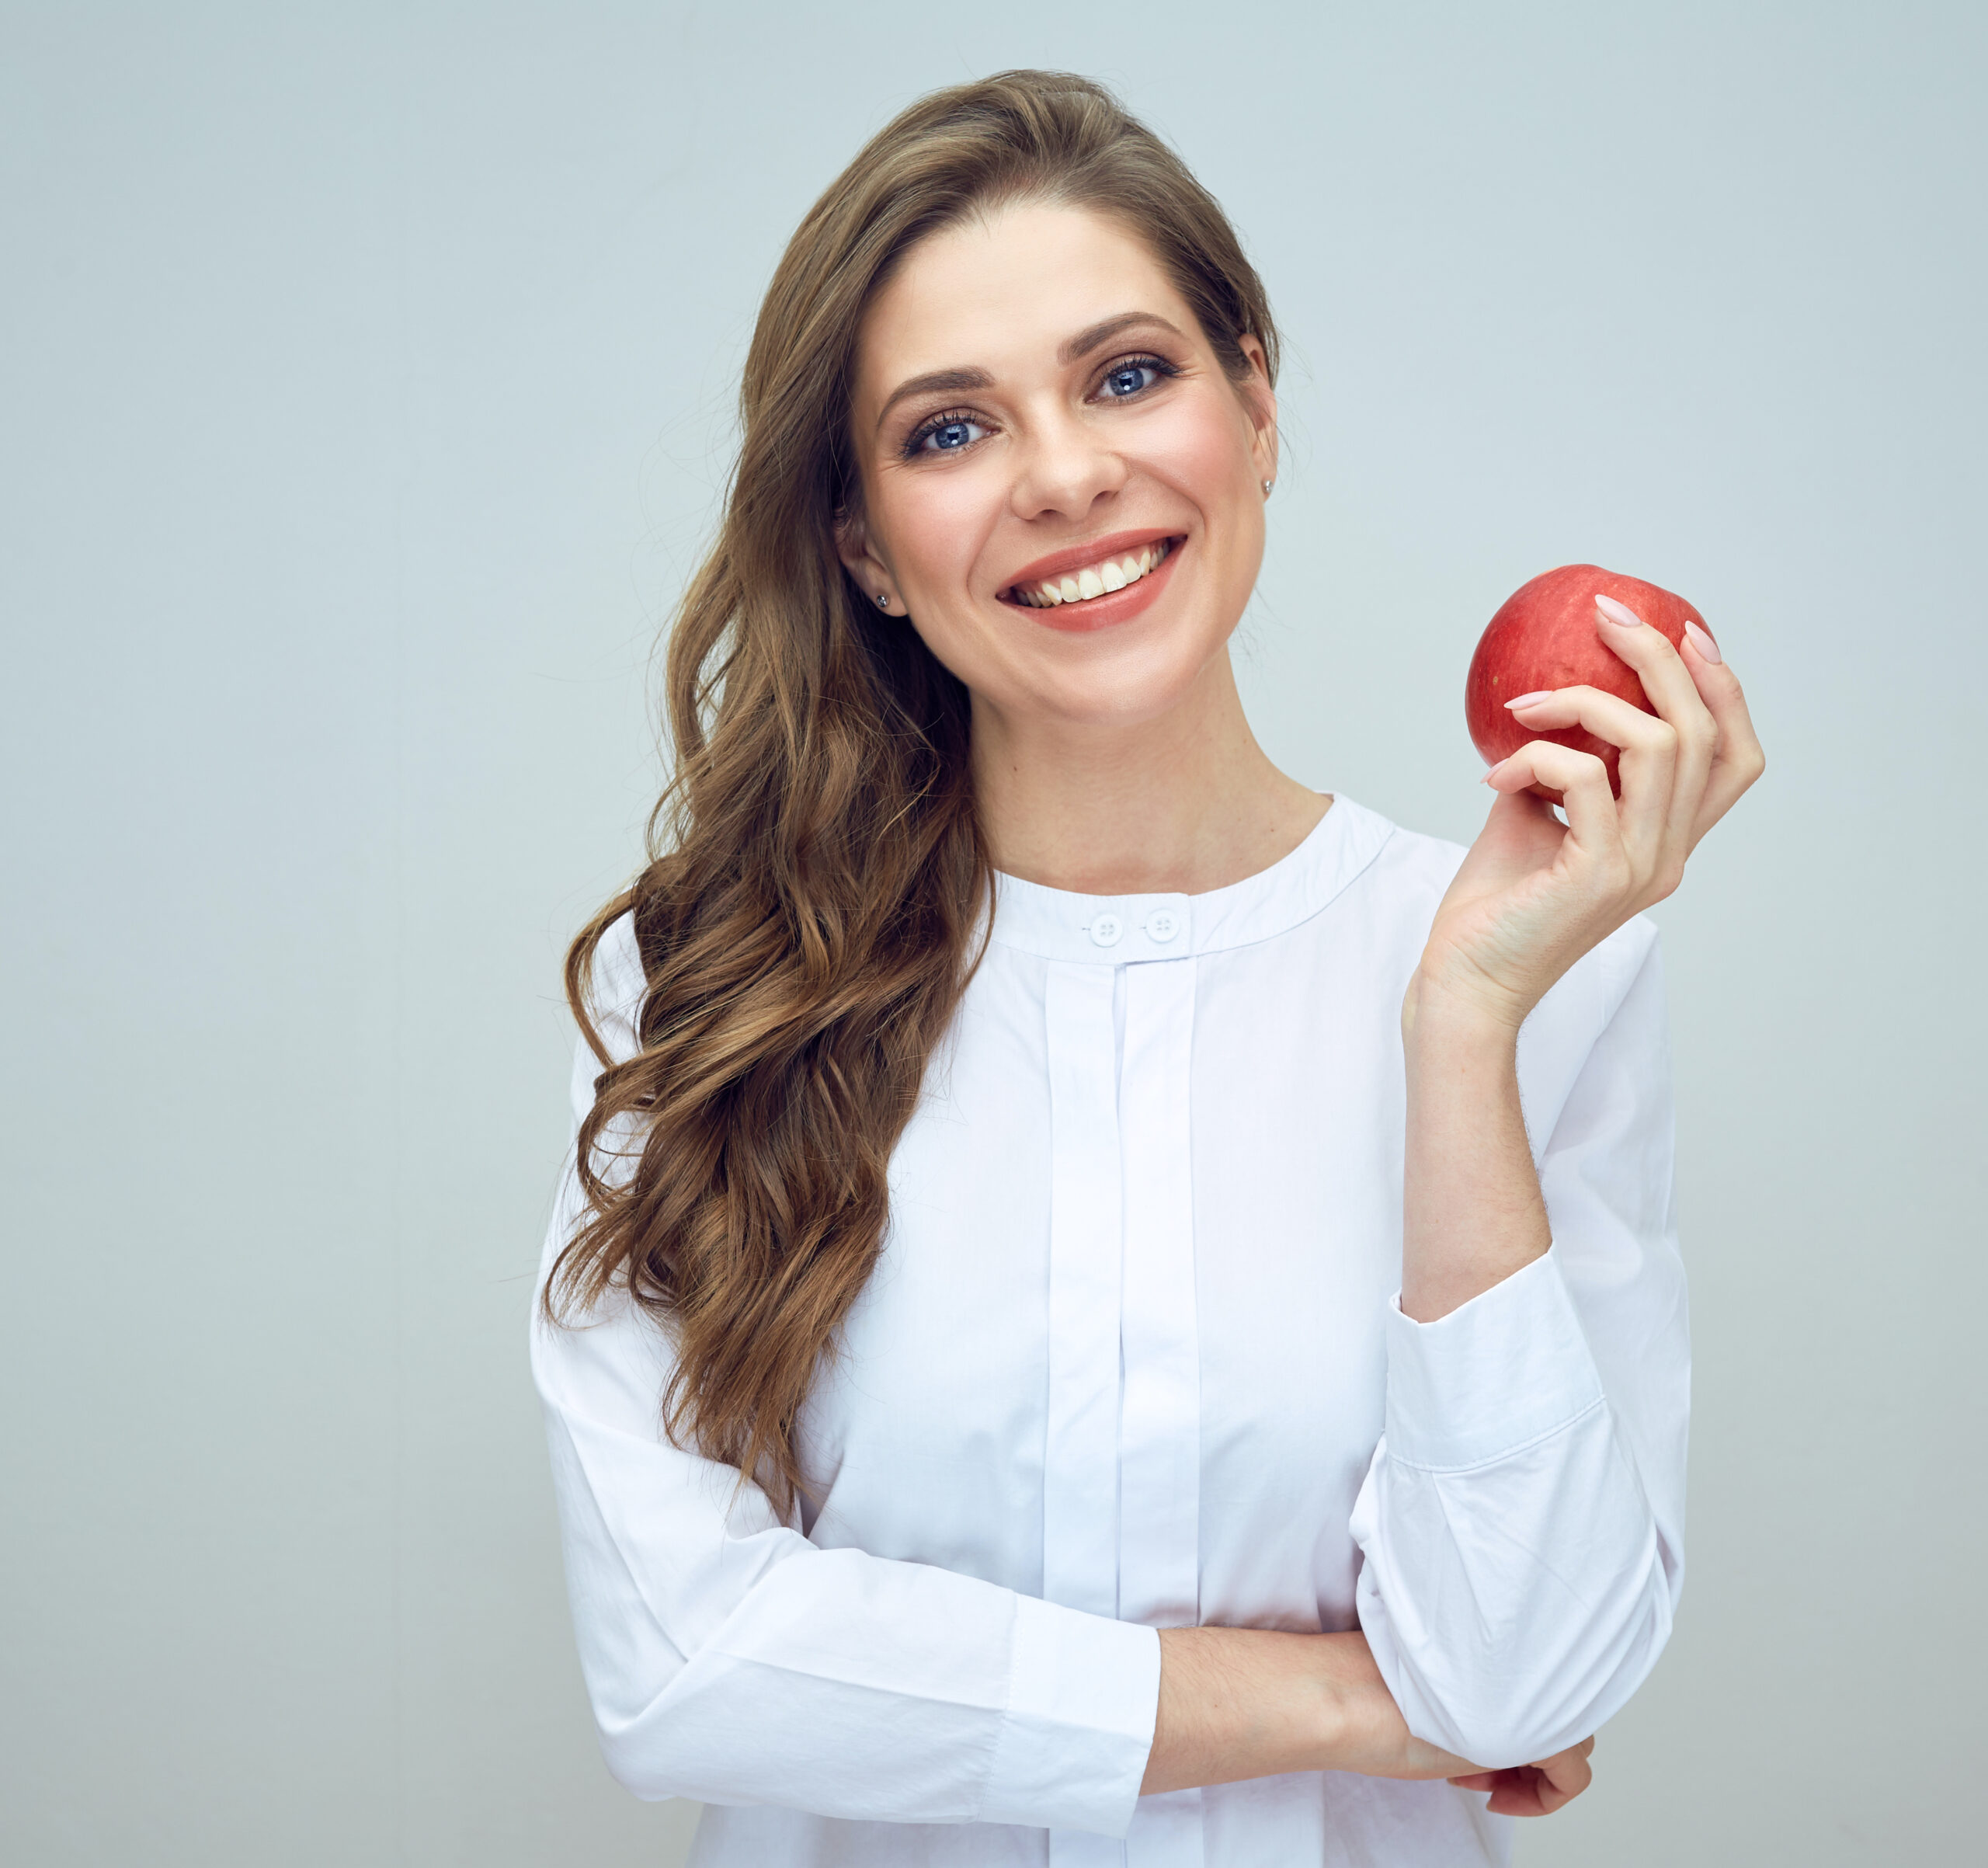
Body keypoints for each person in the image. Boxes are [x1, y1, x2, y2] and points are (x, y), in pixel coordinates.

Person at [530, 69, 1764, 1868]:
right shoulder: (702, 997)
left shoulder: (1533, 981)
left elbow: (1528, 1659)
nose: (1065, 474)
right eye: (948, 431)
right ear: (865, 547)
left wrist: (1459, 1024)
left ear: (1251, 405)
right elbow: (681, 1663)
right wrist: (1359, 1704)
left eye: (1126, 376)